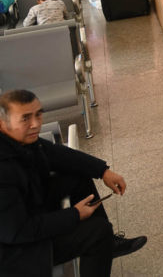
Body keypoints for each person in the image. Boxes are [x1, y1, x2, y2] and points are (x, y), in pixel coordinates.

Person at [0, 89, 147, 275]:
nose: (35, 124)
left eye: (38, 114)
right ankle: (103, 241)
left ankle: (109, 245)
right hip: (18, 251)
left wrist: (103, 171)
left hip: (30, 207)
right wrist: (75, 214)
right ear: (2, 123)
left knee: (77, 176)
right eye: (25, 118)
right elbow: (19, 231)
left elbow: (58, 154)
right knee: (98, 232)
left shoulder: (20, 141)